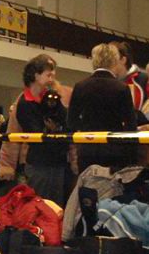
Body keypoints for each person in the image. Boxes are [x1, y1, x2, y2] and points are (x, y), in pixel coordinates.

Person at [68, 43, 137, 173]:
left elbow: (71, 121)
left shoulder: (80, 86)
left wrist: (86, 128)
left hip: (87, 148)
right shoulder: (121, 88)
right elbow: (130, 124)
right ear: (114, 61)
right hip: (114, 150)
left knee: (87, 183)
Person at [15, 54, 70, 205]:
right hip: (39, 164)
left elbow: (67, 122)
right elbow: (36, 135)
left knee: (56, 207)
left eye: (53, 75)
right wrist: (55, 130)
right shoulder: (25, 103)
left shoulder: (52, 98)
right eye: (48, 75)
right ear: (35, 75)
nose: (52, 78)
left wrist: (54, 130)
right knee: (39, 205)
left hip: (58, 162)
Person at [111, 41, 149, 111]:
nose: (107, 64)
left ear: (123, 60)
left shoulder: (143, 79)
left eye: (111, 60)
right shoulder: (108, 81)